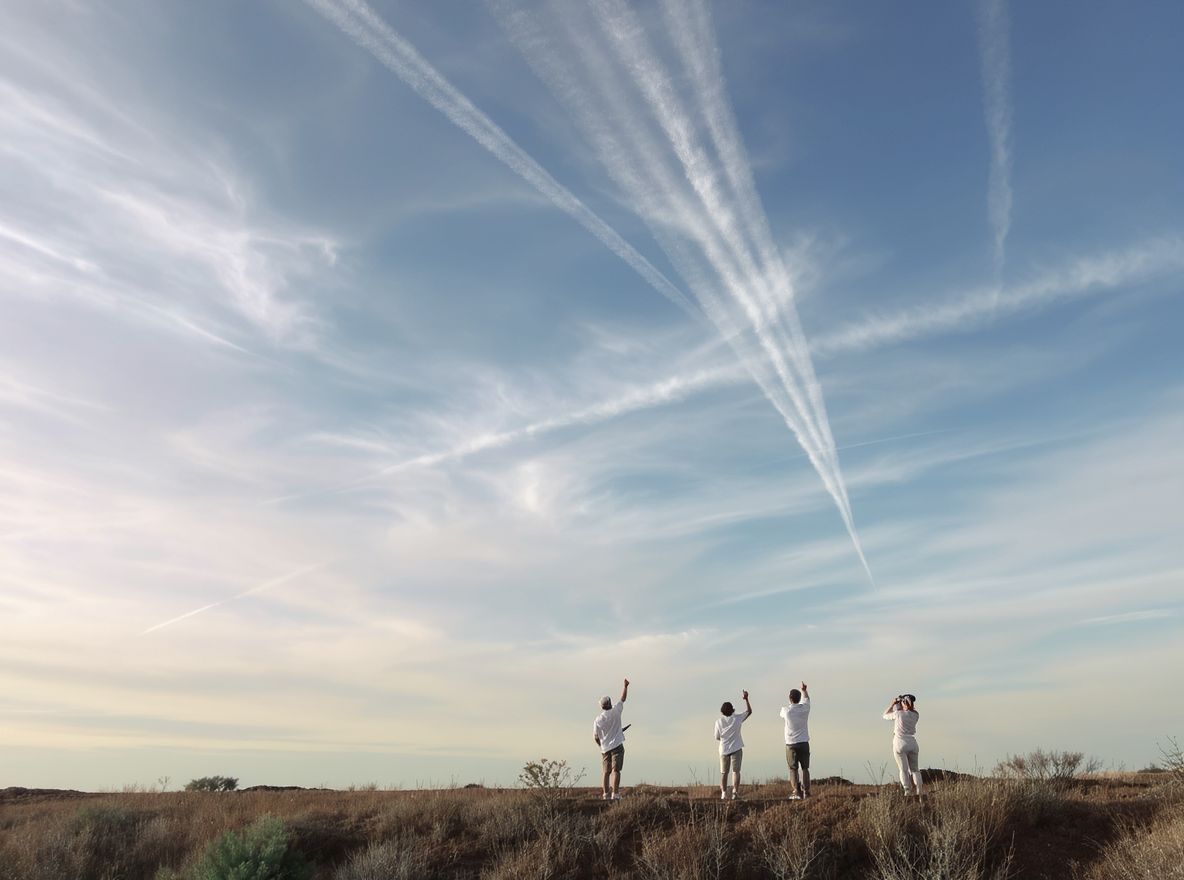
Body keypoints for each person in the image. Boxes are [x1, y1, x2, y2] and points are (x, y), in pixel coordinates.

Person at [593, 678, 630, 801]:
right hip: (617, 746)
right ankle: (615, 794)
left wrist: (601, 745)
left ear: (601, 706)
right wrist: (625, 686)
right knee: (616, 770)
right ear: (609, 703)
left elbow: (596, 737)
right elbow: (623, 699)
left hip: (604, 748)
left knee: (606, 772)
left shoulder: (597, 720)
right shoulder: (616, 711)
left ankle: (605, 794)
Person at [714, 690, 752, 800]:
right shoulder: (737, 718)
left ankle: (724, 793)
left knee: (724, 772)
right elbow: (749, 711)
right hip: (736, 747)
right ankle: (735, 792)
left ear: (722, 711)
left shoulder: (718, 722)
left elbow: (717, 737)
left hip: (724, 749)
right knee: (736, 771)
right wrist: (746, 699)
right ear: (732, 710)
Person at [883, 693, 922, 796]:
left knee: (903, 769)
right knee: (915, 769)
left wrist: (893, 704)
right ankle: (919, 790)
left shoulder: (898, 714)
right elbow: (908, 710)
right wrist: (901, 704)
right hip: (912, 743)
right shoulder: (916, 715)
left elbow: (885, 715)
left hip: (900, 742)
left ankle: (907, 790)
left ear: (903, 703)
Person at [779, 681, 812, 799]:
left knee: (793, 768)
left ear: (790, 698)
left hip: (790, 743)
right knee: (805, 768)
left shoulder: (786, 710)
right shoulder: (805, 709)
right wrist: (804, 690)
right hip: (803, 741)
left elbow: (781, 714)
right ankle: (806, 792)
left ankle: (796, 791)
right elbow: (807, 699)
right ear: (799, 698)